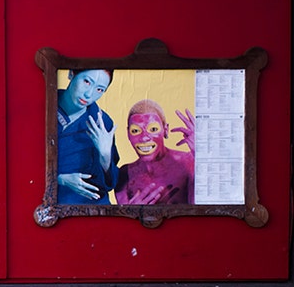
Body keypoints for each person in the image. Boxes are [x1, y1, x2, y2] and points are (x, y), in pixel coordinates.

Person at [114, 99, 195, 204]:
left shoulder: (189, 162)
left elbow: (201, 212)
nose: (144, 138)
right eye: (135, 131)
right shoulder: (124, 175)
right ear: (128, 133)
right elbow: (124, 218)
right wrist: (131, 212)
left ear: (165, 130)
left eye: (153, 129)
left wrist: (203, 155)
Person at [56, 69, 119, 204]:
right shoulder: (42, 106)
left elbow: (107, 184)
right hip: (47, 205)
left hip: (90, 206)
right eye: (86, 82)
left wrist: (105, 156)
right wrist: (59, 179)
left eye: (99, 90)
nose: (88, 94)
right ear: (71, 73)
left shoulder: (102, 122)